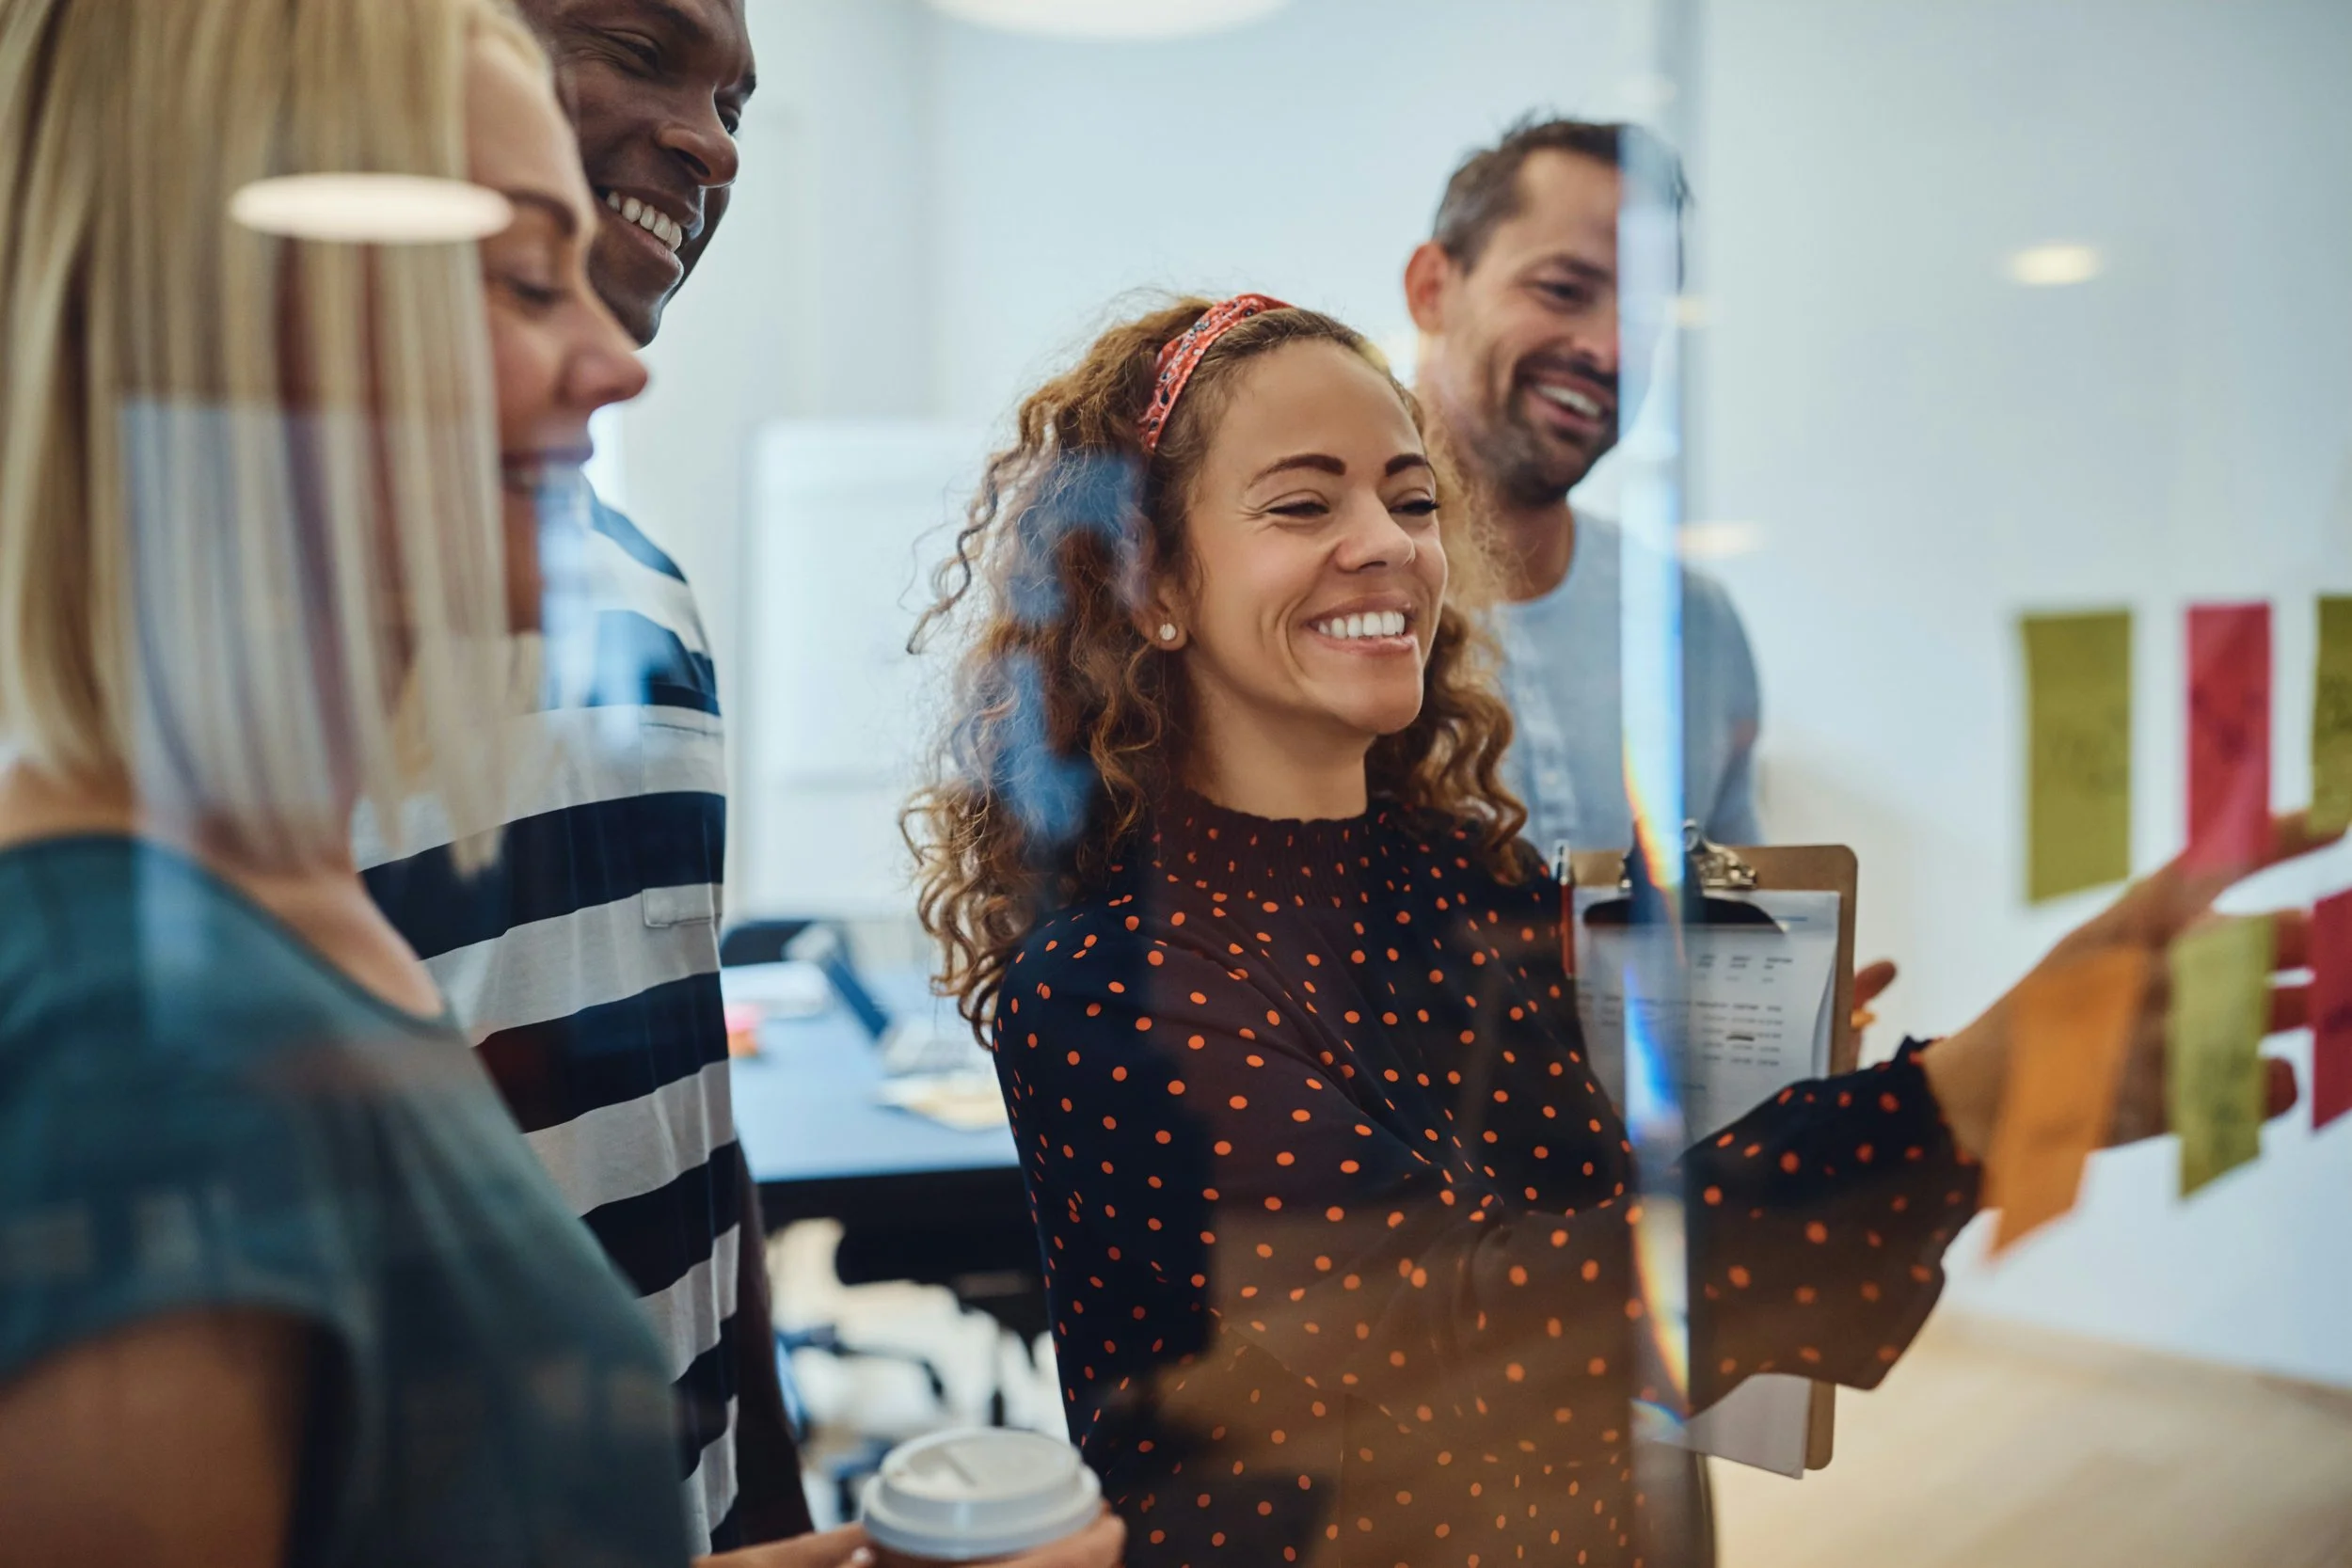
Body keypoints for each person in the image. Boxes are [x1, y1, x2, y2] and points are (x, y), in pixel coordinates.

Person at [908, 293, 2314, 1567]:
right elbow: (1471, 1328)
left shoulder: (1465, 879)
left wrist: (1872, 1086)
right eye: (1299, 503)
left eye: (1410, 498)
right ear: (1149, 584)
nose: (1387, 544)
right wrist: (1955, 1108)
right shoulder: (1108, 982)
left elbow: (1596, 1231)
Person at [0, 7, 1128, 1567]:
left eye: (737, 96)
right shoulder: (125, 1011)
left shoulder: (309, 869)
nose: (615, 364)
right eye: (520, 279)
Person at [351, 0, 793, 1548]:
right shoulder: (210, 634)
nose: (713, 139)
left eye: (734, 96)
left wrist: (760, 1508)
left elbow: (689, 1112)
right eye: (638, 46)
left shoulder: (645, 595)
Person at [1406, 116, 1756, 859]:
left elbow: (1730, 933)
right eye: (1563, 289)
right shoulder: (1330, 598)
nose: (1610, 349)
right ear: (1433, 288)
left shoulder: (1694, 626)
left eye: (1645, 316)